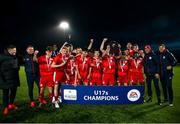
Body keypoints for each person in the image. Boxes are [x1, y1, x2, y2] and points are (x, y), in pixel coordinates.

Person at [0, 45, 20, 115]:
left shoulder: (15, 56)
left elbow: (17, 67)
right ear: (9, 50)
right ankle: (6, 107)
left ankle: (11, 104)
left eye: (15, 50)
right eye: (14, 50)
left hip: (14, 79)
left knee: (13, 93)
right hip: (5, 79)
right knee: (5, 94)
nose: (15, 52)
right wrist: (1, 78)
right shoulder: (2, 56)